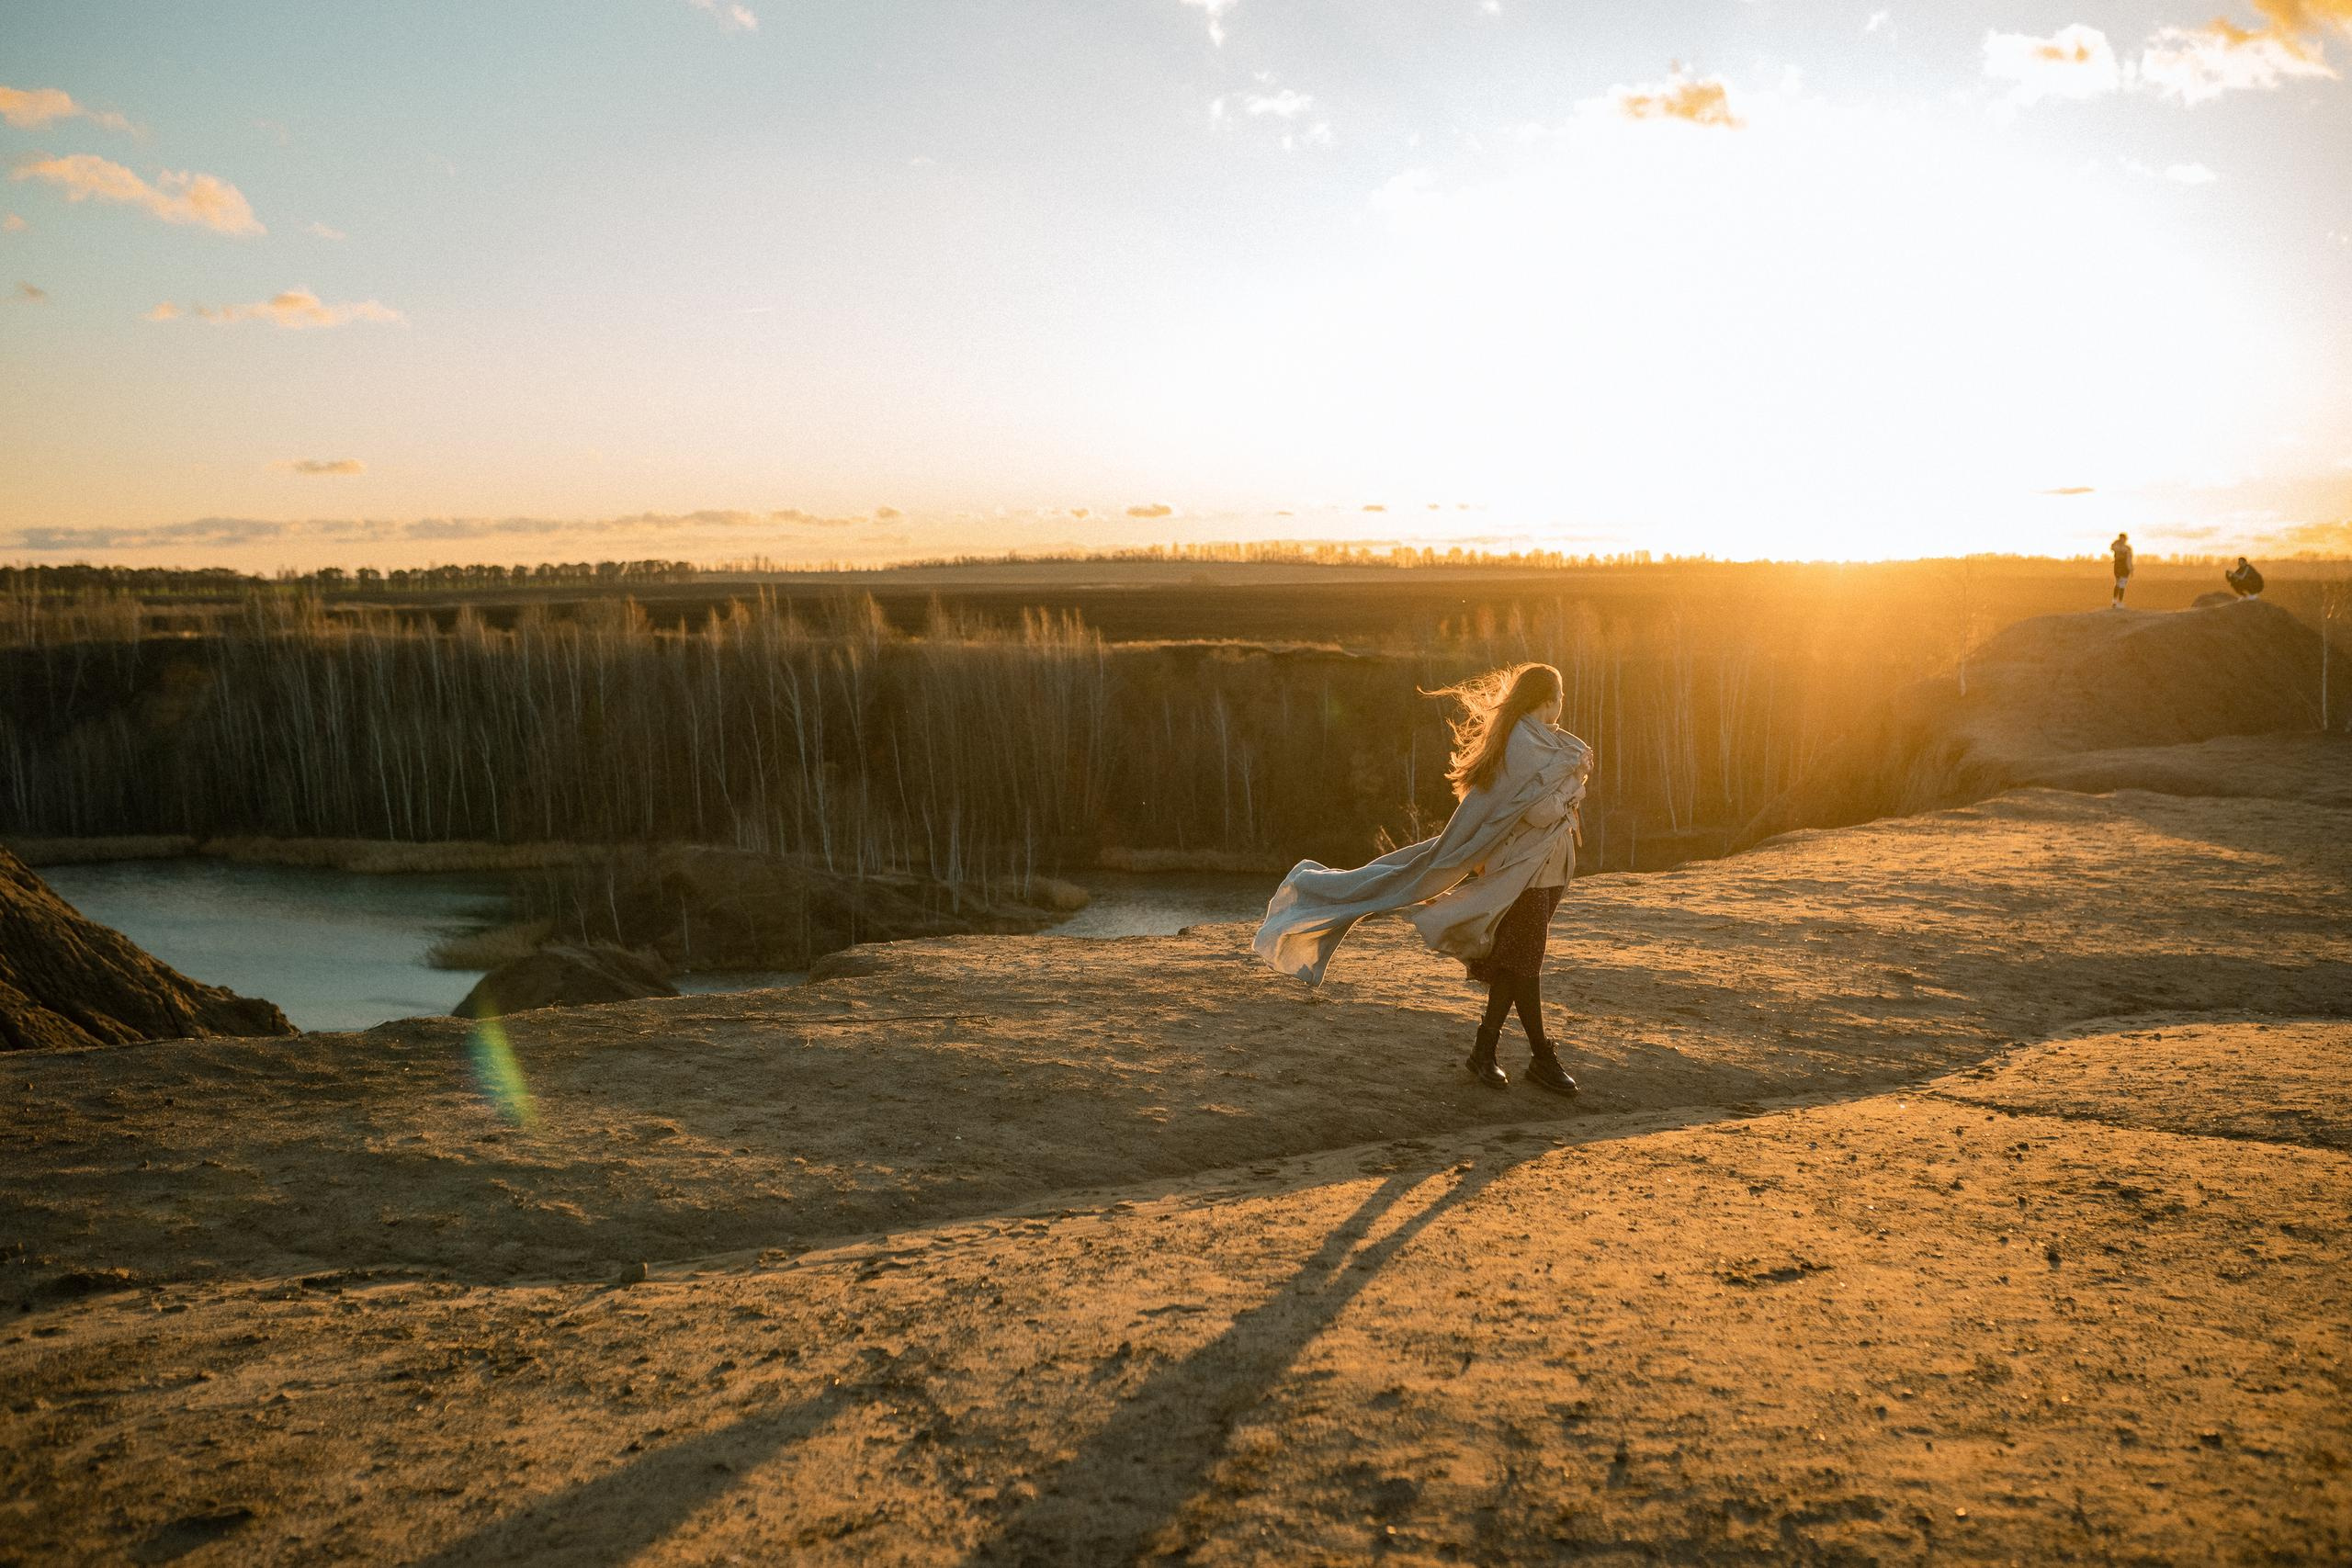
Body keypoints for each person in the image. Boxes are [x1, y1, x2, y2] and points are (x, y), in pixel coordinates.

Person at [1255, 662, 1592, 1096]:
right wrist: (1576, 783)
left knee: (1517, 963)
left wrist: (1572, 768)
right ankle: (1534, 1056)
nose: (1563, 705)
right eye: (1560, 697)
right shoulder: (1526, 745)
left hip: (1540, 871)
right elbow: (1537, 811)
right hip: (1521, 873)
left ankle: (1491, 1053)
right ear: (1546, 700)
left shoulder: (1544, 742)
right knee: (1524, 964)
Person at [2110, 533, 2134, 609]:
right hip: (2118, 566)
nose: (2122, 540)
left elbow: (2130, 559)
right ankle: (2114, 601)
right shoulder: (2117, 545)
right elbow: (2113, 548)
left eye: (2123, 539)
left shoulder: (2128, 548)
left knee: (2122, 584)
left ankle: (2119, 602)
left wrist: (2131, 569)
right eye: (2121, 538)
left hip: (2125, 567)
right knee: (2118, 583)